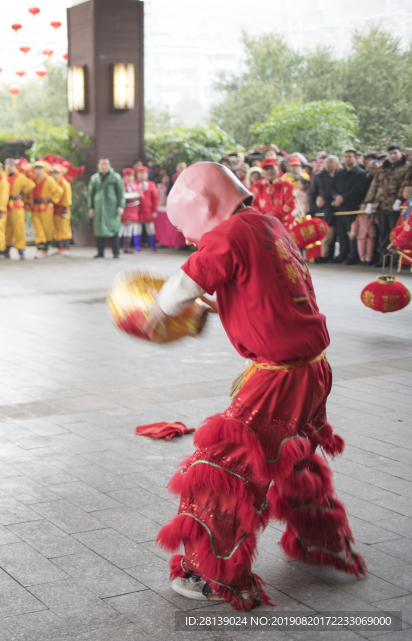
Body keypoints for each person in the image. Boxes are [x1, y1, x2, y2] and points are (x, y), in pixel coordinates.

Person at [149, 162, 366, 610]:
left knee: (225, 467)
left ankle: (212, 575)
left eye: (188, 228)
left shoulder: (228, 234)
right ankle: (322, 542)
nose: (190, 238)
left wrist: (157, 310)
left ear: (205, 209)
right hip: (310, 368)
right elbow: (261, 285)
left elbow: (181, 286)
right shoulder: (267, 224)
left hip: (278, 377)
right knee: (291, 455)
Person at [363, 144, 411, 267]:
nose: (393, 156)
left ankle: (395, 259)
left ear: (400, 153)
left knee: (395, 233)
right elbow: (374, 185)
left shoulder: (407, 167)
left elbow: (406, 184)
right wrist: (369, 202)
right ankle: (384, 259)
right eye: (390, 154)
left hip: (396, 206)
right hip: (381, 205)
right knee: (383, 233)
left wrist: (400, 200)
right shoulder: (382, 167)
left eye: (395, 153)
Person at [332, 150, 372, 264]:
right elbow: (332, 186)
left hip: (352, 207)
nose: (347, 159)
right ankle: (342, 254)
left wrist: (343, 197)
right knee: (341, 233)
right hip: (339, 206)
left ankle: (352, 255)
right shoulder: (339, 172)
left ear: (355, 158)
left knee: (352, 233)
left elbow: (358, 190)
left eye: (350, 156)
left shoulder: (360, 173)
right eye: (345, 157)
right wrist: (336, 196)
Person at [87, 158, 125, 259]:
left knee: (114, 230)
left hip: (112, 208)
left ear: (109, 166)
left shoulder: (116, 177)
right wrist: (91, 208)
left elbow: (121, 193)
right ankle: (100, 252)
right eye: (102, 165)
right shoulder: (94, 178)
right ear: (98, 166)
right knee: (99, 230)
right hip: (99, 207)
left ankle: (116, 253)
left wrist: (121, 206)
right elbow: (90, 194)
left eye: (106, 164)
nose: (104, 167)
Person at [307, 155, 339, 262]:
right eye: (327, 162)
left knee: (333, 233)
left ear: (336, 164)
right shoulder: (318, 176)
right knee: (321, 232)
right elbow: (311, 193)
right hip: (320, 208)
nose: (328, 164)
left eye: (331, 162)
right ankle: (319, 256)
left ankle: (330, 255)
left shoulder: (339, 175)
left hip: (336, 207)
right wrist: (313, 208)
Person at [28, 162, 63, 258]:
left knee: (47, 229)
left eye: (40, 169)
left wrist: (52, 200)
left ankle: (46, 247)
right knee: (38, 228)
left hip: (46, 208)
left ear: (44, 170)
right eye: (36, 169)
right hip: (35, 208)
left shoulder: (49, 180)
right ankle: (40, 248)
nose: (38, 171)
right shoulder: (32, 180)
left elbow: (59, 191)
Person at [250, 158, 296, 226]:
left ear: (278, 169)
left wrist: (272, 214)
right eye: (266, 169)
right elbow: (252, 204)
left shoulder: (288, 185)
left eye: (272, 168)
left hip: (284, 224)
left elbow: (291, 203)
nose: (270, 171)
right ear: (262, 172)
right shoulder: (256, 186)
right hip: (263, 223)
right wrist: (264, 216)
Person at [4, 159, 34, 260]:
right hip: (5, 204)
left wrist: (21, 193)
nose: (9, 167)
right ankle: (6, 248)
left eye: (12, 165)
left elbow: (31, 185)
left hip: (16, 204)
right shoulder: (3, 177)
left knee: (19, 228)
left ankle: (21, 249)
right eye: (8, 165)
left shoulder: (20, 177)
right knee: (6, 228)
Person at [125, 166, 159, 253]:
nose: (142, 175)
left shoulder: (151, 184)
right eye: (140, 173)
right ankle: (137, 247)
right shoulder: (134, 184)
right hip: (137, 210)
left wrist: (154, 210)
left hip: (148, 210)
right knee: (137, 228)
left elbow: (155, 198)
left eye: (144, 173)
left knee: (150, 228)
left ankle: (153, 246)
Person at [50, 166, 73, 255]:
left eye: (56, 173)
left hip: (62, 209)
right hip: (54, 210)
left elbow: (67, 198)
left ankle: (66, 248)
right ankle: (59, 247)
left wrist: (64, 210)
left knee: (64, 229)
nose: (54, 175)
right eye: (53, 173)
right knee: (57, 229)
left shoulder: (64, 184)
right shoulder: (52, 184)